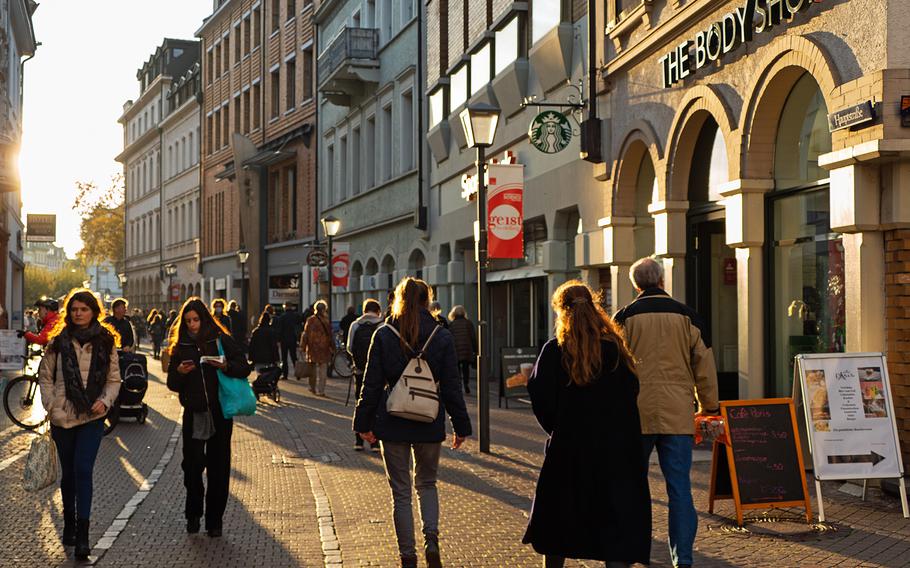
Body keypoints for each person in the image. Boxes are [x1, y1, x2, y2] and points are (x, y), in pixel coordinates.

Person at [523, 281, 651, 568]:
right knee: (613, 518)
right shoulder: (615, 350)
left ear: (561, 312)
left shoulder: (555, 351)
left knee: (559, 518)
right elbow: (631, 394)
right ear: (594, 308)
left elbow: (540, 396)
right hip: (613, 450)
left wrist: (559, 427)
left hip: (569, 448)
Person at [354, 277, 472, 568]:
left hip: (392, 420)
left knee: (401, 492)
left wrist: (363, 422)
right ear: (426, 300)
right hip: (429, 420)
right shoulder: (441, 336)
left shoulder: (384, 333)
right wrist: (461, 426)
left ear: (398, 299)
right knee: (428, 484)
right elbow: (452, 386)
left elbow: (370, 384)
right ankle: (431, 538)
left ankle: (408, 556)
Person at [614, 257, 720, 568]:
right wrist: (709, 406)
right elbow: (704, 365)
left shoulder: (624, 317)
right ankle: (682, 559)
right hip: (677, 413)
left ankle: (634, 551)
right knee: (680, 490)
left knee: (633, 487)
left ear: (636, 285)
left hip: (636, 414)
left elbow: (614, 366)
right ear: (662, 282)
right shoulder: (687, 316)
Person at [37, 289, 122, 560]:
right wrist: (52, 405)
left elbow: (114, 379)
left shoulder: (106, 342)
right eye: (74, 309)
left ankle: (83, 536)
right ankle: (70, 522)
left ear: (93, 311)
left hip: (92, 417)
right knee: (70, 474)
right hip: (63, 417)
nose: (78, 313)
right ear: (68, 313)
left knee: (83, 470)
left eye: (84, 309)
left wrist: (105, 401)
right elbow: (45, 377)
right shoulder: (57, 343)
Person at [166, 297, 251, 538]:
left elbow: (244, 367)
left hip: (220, 411)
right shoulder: (180, 346)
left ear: (204, 318)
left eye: (196, 320)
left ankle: (215, 521)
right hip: (194, 413)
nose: (193, 325)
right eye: (188, 320)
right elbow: (172, 383)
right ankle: (193, 513)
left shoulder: (220, 339)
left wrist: (224, 366)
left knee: (219, 467)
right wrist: (180, 373)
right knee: (192, 467)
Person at [346, 298, 384, 451]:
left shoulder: (355, 325)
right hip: (379, 372)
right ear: (378, 311)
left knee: (360, 402)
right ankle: (374, 441)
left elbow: (349, 347)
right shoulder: (382, 325)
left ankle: (359, 440)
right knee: (377, 403)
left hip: (360, 370)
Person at [299, 300, 333, 396]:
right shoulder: (326, 321)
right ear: (324, 309)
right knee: (323, 369)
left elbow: (305, 334)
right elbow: (330, 335)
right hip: (324, 348)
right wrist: (332, 347)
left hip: (312, 347)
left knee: (312, 369)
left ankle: (312, 387)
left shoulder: (310, 320)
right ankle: (321, 390)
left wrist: (302, 346)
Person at [446, 306, 476, 395]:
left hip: (456, 349)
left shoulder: (452, 324)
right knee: (466, 368)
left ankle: (458, 386)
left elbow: (449, 337)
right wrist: (475, 349)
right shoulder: (468, 323)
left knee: (457, 368)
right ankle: (466, 384)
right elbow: (473, 337)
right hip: (466, 349)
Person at [275, 303, 303, 380]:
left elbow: (279, 329)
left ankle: (285, 375)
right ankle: (298, 373)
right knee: (294, 357)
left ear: (285, 307)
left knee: (284, 358)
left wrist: (278, 340)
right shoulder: (296, 316)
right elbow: (300, 325)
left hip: (284, 340)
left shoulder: (282, 317)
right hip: (293, 339)